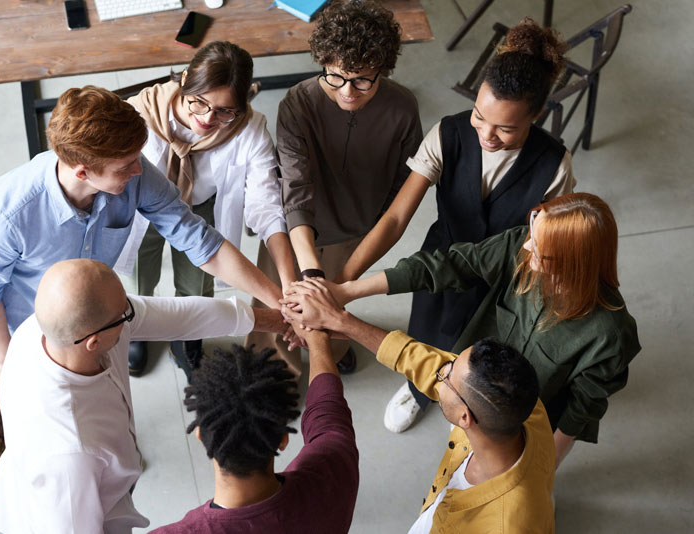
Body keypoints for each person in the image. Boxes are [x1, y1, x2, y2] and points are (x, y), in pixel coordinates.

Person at [0, 85, 282, 502]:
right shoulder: (7, 214)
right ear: (81, 170)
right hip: (17, 319)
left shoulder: (133, 172)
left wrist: (278, 299)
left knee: (91, 393)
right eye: (126, 165)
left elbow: (198, 240)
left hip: (93, 314)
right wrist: (9, 363)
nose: (139, 170)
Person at [333, 18, 576, 433]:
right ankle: (419, 388)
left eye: (506, 127)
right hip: (441, 260)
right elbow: (394, 219)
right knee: (429, 332)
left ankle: (468, 399)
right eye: (481, 116)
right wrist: (342, 285)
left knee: (485, 351)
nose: (487, 134)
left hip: (505, 275)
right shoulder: (449, 133)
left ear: (536, 116)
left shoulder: (554, 165)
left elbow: (549, 243)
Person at [286, 193, 641, 467]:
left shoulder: (610, 335)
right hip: (466, 383)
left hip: (523, 424)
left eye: (543, 253)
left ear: (574, 265)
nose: (528, 246)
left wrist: (542, 468)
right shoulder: (522, 245)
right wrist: (346, 291)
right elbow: (447, 266)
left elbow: (580, 411)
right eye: (534, 230)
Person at [0, 259, 286, 533]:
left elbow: (179, 316)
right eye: (124, 313)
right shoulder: (71, 454)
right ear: (94, 341)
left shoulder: (52, 329)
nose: (131, 313)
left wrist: (277, 320)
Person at [282, 281, 555, 532]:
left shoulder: (506, 525)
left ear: (465, 417)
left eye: (446, 376)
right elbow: (423, 361)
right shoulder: (523, 407)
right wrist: (340, 321)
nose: (440, 370)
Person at [255, 0, 423, 378]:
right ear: (323, 63)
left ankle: (337, 345)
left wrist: (337, 278)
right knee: (281, 302)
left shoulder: (403, 109)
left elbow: (401, 190)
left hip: (355, 230)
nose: (348, 91)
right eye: (335, 77)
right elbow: (295, 189)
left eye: (363, 80)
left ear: (384, 69)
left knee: (335, 306)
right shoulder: (298, 103)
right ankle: (276, 373)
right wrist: (311, 273)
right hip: (297, 230)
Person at [116, 41, 297, 378]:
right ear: (184, 80)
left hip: (202, 207)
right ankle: (138, 325)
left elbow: (266, 204)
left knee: (198, 284)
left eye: (224, 111)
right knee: (141, 272)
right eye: (198, 103)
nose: (207, 119)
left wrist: (288, 286)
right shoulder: (140, 111)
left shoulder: (249, 128)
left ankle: (188, 336)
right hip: (144, 207)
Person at [151, 320, 359, 532]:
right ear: (283, 439)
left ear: (201, 436)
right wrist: (318, 341)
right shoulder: (336, 468)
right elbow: (328, 411)